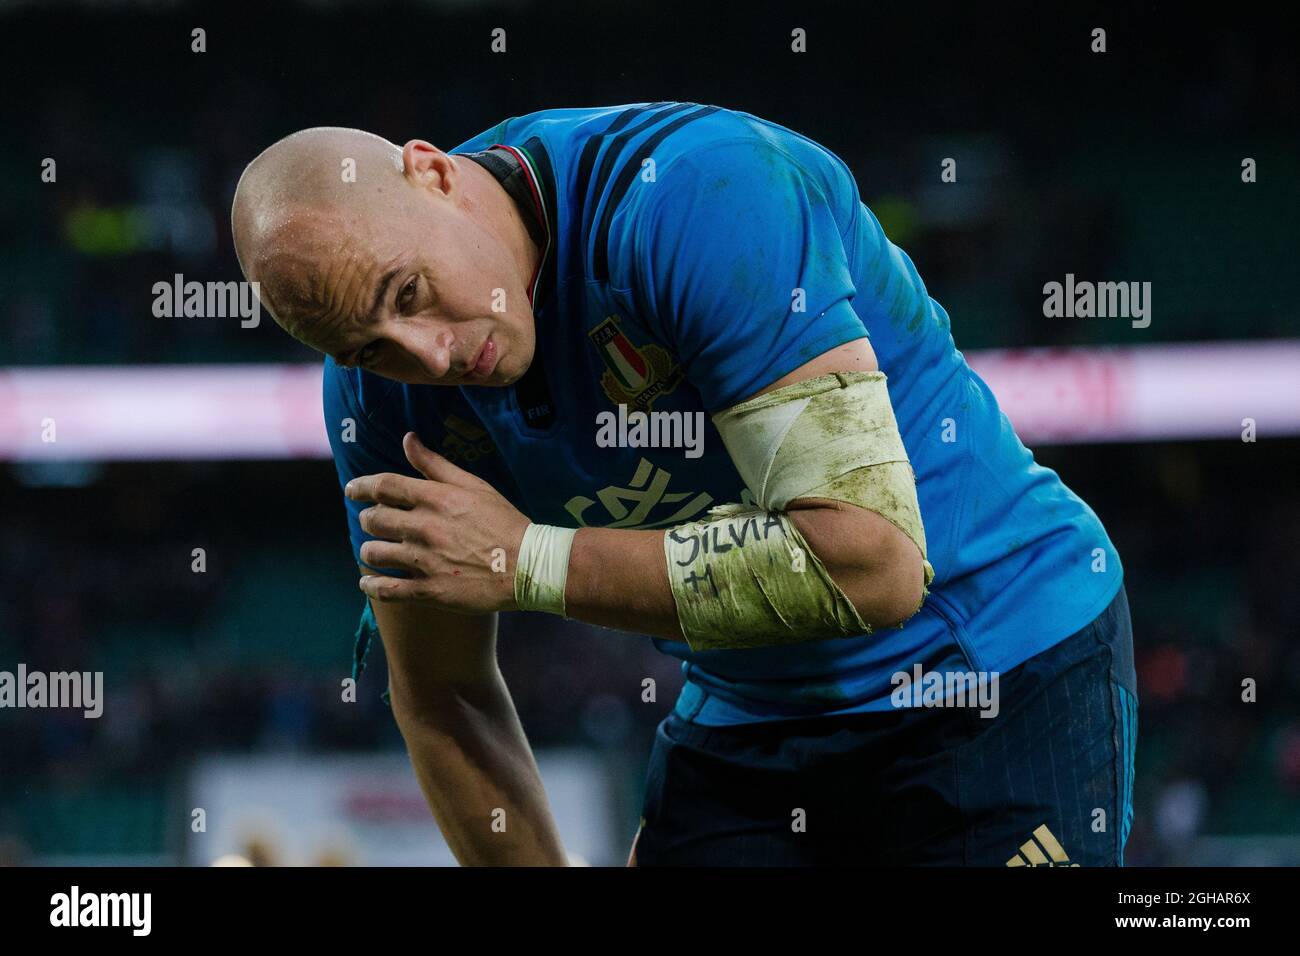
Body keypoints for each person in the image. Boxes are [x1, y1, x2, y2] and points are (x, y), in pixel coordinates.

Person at [231, 102, 1136, 866]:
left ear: (433, 173)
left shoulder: (703, 196)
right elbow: (443, 694)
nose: (426, 354)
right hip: (751, 719)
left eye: (411, 291)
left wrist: (528, 559)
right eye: (369, 346)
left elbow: (874, 566)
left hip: (997, 667)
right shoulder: (378, 395)